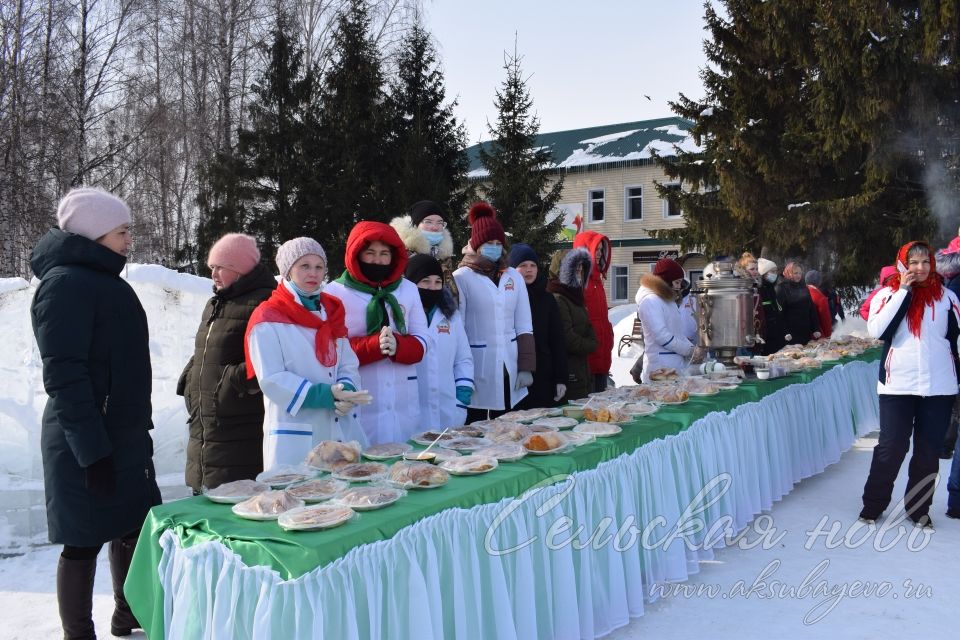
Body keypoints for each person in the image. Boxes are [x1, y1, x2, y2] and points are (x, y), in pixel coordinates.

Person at [30, 187, 162, 638]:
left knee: (130, 527)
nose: (129, 240)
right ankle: (78, 632)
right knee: (82, 541)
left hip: (120, 431)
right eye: (122, 231)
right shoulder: (64, 284)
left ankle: (128, 614)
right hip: (83, 435)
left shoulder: (104, 280)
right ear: (93, 233)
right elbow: (65, 376)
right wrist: (90, 449)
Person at [245, 237, 370, 468]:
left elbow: (347, 362)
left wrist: (346, 390)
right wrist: (323, 395)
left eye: (319, 267)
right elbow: (271, 378)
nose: (313, 273)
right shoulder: (267, 318)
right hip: (295, 432)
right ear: (287, 271)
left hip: (339, 425)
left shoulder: (332, 311)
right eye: (304, 266)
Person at [860, 241, 959, 529]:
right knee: (892, 448)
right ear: (903, 264)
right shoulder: (886, 294)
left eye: (925, 262)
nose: (919, 268)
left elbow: (955, 340)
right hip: (897, 385)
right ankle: (873, 505)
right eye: (913, 262)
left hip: (938, 386)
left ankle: (919, 509)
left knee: (928, 452)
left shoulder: (946, 297)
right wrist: (904, 291)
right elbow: (878, 330)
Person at [177, 233, 276, 493]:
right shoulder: (215, 303)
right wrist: (190, 378)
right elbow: (209, 352)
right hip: (206, 423)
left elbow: (268, 359)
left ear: (240, 269)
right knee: (206, 497)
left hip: (239, 425)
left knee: (237, 502)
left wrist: (230, 383)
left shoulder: (264, 302)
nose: (213, 274)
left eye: (220, 267)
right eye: (212, 267)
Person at [325, 222, 429, 443]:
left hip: (403, 403)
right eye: (370, 253)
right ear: (356, 254)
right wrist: (373, 346)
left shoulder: (408, 289)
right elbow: (330, 350)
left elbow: (423, 341)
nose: (378, 260)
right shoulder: (334, 292)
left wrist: (399, 346)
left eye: (384, 254)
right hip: (360, 401)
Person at [454, 201, 535, 421]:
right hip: (478, 365)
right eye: (489, 242)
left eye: (499, 242)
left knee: (509, 427)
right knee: (476, 427)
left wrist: (526, 366)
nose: (495, 246)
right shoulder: (461, 278)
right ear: (477, 244)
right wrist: (459, 373)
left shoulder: (513, 276)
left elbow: (524, 324)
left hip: (510, 365)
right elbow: (457, 329)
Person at [405, 254, 474, 429]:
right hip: (410, 411)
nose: (432, 287)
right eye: (425, 281)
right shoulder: (400, 316)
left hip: (448, 409)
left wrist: (462, 397)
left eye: (438, 282)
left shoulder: (451, 315)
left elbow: (463, 359)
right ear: (411, 283)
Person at [509, 243, 568, 408]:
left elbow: (557, 341)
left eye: (533, 265)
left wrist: (560, 378)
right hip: (515, 377)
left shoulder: (547, 299)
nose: (529, 270)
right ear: (512, 269)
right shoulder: (506, 298)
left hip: (544, 376)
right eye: (523, 265)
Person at [548, 248, 598, 400]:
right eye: (573, 269)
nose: (578, 273)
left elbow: (588, 327)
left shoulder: (575, 296)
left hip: (581, 369)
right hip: (567, 371)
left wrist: (592, 340)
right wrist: (591, 344)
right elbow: (567, 338)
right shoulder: (558, 298)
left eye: (580, 269)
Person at [635, 258, 695, 383]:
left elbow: (677, 333)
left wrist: (692, 350)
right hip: (659, 368)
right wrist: (688, 350)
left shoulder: (667, 300)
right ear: (666, 281)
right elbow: (662, 336)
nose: (679, 287)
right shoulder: (650, 301)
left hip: (673, 366)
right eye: (677, 282)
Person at [573, 231, 614, 392]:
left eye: (601, 250)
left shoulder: (597, 281)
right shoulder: (579, 281)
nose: (599, 254)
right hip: (586, 359)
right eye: (596, 249)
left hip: (601, 356)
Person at [390, 199, 458, 291]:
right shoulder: (400, 257)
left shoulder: (444, 258)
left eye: (440, 223)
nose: (435, 227)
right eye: (428, 222)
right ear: (415, 225)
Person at [776, 260, 821, 344]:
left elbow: (811, 309)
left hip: (805, 332)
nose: (798, 276)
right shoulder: (782, 288)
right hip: (790, 335)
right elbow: (779, 313)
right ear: (789, 273)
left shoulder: (804, 287)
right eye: (795, 273)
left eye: (800, 273)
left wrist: (815, 328)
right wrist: (785, 331)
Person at [757, 258, 787, 355]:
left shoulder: (771, 288)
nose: (775, 274)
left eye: (776, 271)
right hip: (768, 335)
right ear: (764, 273)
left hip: (777, 333)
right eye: (772, 271)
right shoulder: (760, 290)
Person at [804, 269, 833, 338]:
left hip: (802, 333)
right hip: (816, 334)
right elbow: (825, 319)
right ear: (818, 282)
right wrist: (828, 335)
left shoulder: (800, 291)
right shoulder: (820, 297)